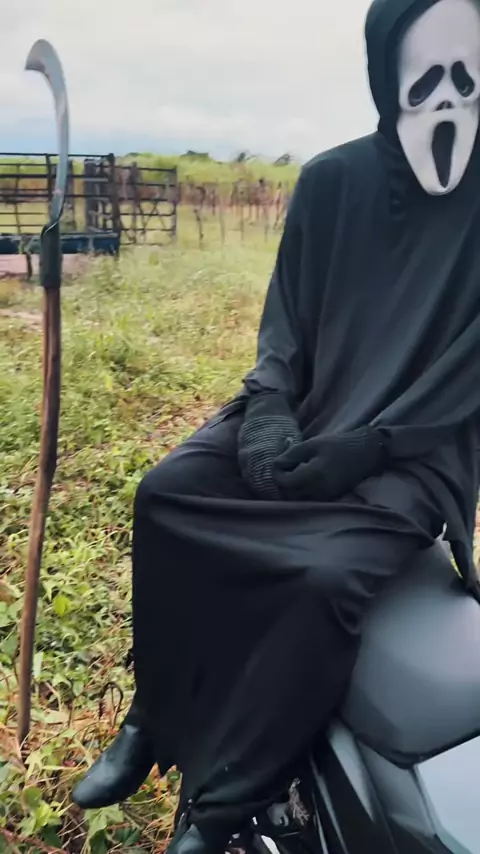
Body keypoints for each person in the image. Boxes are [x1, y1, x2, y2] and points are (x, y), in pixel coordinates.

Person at [72, 0, 480, 850]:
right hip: (310, 408)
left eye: (467, 83)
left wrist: (372, 447)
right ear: (388, 81)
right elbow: (284, 326)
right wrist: (266, 416)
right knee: (167, 492)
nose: (447, 105)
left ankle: (224, 801)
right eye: (426, 83)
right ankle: (155, 717)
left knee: (323, 578)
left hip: (416, 450)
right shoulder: (332, 181)